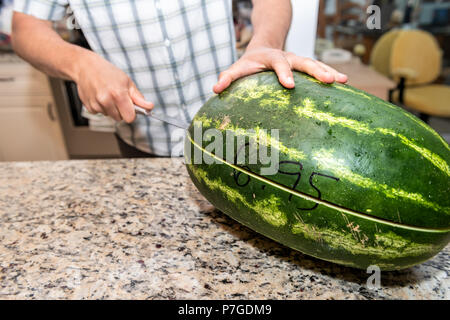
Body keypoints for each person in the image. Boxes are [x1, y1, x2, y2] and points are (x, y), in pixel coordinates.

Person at [11, 0, 347, 157]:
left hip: (234, 135)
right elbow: (25, 29)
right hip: (142, 141)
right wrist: (80, 63)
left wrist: (265, 44)